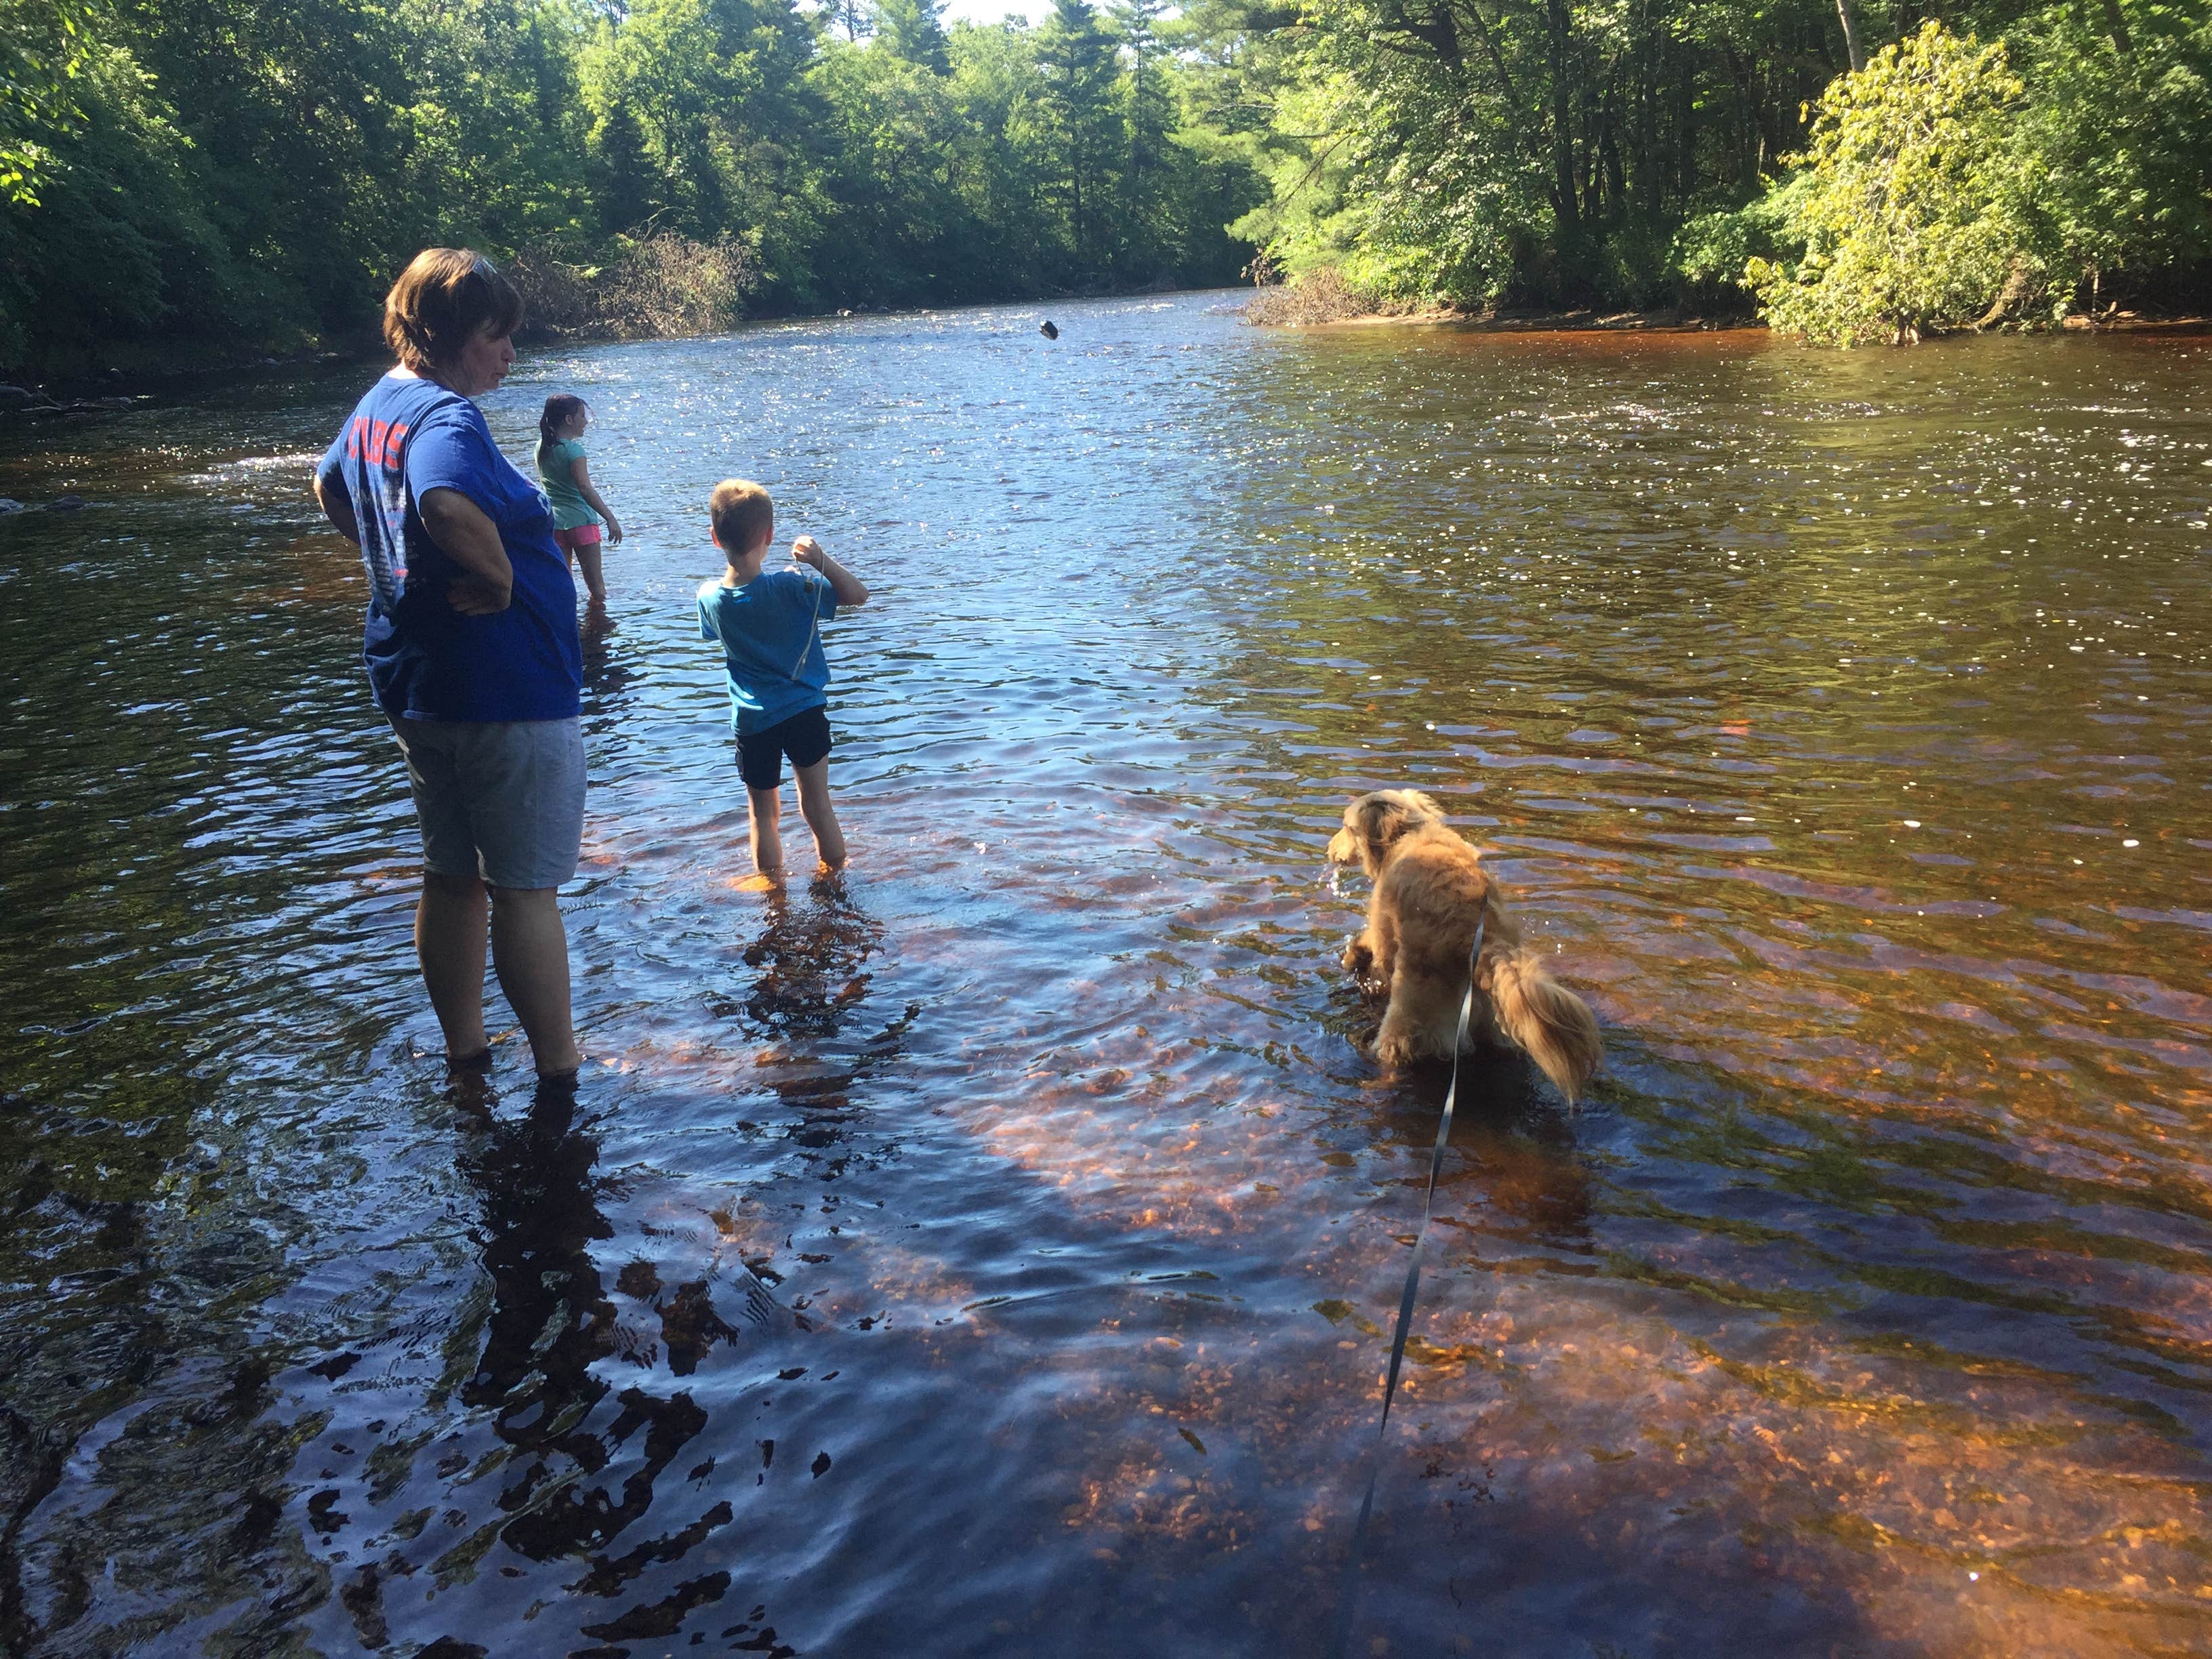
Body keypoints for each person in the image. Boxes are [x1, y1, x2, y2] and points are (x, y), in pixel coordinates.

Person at [312, 247, 586, 1083]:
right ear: (453, 333)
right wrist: (498, 576)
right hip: (508, 690)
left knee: (452, 874)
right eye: (498, 337)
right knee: (526, 890)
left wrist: (395, 565)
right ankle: (561, 1073)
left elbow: (328, 485)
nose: (510, 356)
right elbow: (439, 498)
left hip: (418, 682)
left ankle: (465, 1052)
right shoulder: (446, 419)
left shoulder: (378, 402)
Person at [697, 479, 869, 882]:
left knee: (762, 814)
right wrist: (820, 561)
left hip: (753, 722)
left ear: (714, 538)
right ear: (770, 535)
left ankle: (773, 896)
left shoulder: (708, 597)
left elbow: (721, 630)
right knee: (817, 803)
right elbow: (858, 595)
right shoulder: (792, 586)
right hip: (804, 712)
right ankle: (835, 880)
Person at [535, 394, 623, 615]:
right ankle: (598, 631)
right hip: (582, 523)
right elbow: (585, 488)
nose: (586, 421)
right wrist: (610, 518)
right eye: (582, 416)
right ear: (569, 420)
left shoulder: (541, 447)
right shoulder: (574, 451)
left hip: (555, 523)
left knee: (564, 583)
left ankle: (568, 625)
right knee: (597, 589)